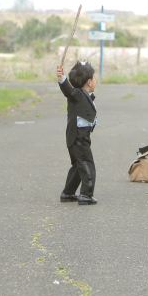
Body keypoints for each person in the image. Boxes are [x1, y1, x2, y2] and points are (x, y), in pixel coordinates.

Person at [56, 61, 98, 205]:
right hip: (77, 138)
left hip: (81, 138)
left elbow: (87, 124)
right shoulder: (77, 94)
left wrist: (88, 141)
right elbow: (69, 90)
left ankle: (68, 193)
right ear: (89, 82)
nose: (96, 81)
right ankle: (86, 195)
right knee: (87, 164)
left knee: (78, 166)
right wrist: (62, 79)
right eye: (95, 78)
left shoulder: (84, 96)